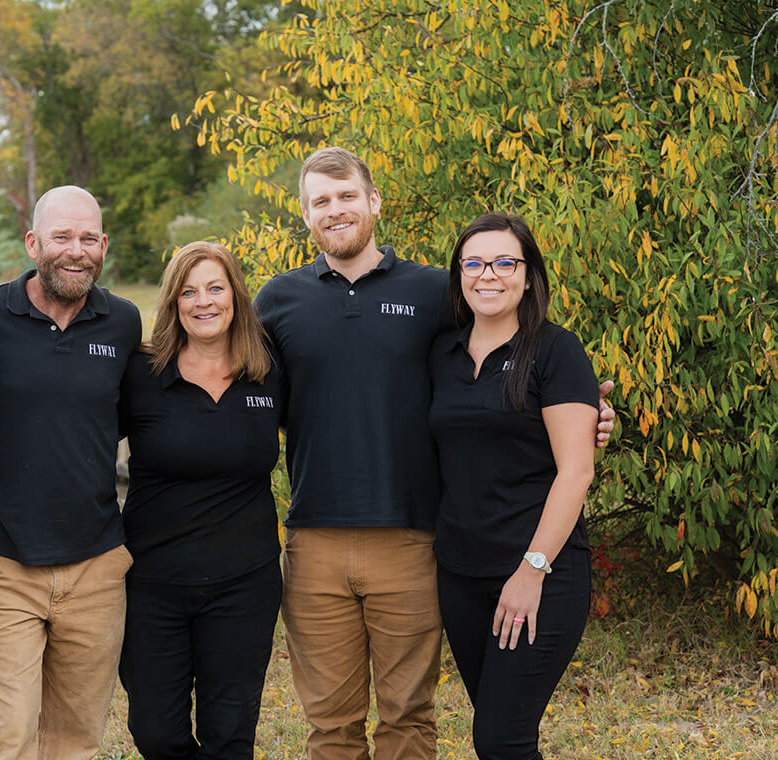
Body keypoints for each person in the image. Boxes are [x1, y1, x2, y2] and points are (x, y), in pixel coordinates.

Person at [253, 146, 614, 760]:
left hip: (415, 537)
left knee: (409, 719)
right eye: (321, 201)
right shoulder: (276, 300)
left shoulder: (433, 293)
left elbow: (504, 363)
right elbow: (253, 402)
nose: (335, 210)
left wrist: (590, 416)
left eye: (347, 196)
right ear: (305, 214)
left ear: (374, 202)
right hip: (314, 538)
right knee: (330, 727)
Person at [0, 185, 141, 760]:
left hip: (97, 565)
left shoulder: (124, 323)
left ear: (103, 245)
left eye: (88, 238)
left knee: (76, 739)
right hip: (5, 561)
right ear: (33, 241)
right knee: (9, 732)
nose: (75, 250)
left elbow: (145, 422)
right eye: (61, 236)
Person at [429, 213, 596, 759]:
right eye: (474, 263)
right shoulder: (441, 355)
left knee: (501, 739)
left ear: (529, 275)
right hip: (460, 573)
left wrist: (532, 571)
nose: (489, 275)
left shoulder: (555, 351)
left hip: (539, 573)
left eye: (505, 262)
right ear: (458, 275)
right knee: (503, 734)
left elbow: (577, 469)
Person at [117, 242, 283, 759]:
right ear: (173, 302)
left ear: (235, 294)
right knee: (155, 730)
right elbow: (81, 442)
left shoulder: (271, 371)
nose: (203, 301)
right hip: (153, 585)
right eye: (188, 291)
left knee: (230, 735)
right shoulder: (140, 376)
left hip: (245, 584)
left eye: (215, 287)